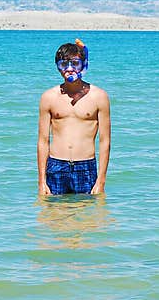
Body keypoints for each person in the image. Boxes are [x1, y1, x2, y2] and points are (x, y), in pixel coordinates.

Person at [37, 39, 111, 195]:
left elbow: (105, 142)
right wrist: (42, 181)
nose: (69, 69)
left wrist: (101, 181)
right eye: (64, 64)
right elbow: (43, 141)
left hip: (85, 167)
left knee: (87, 217)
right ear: (58, 67)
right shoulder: (48, 97)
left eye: (75, 64)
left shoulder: (99, 96)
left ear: (83, 65)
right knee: (54, 217)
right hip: (56, 166)